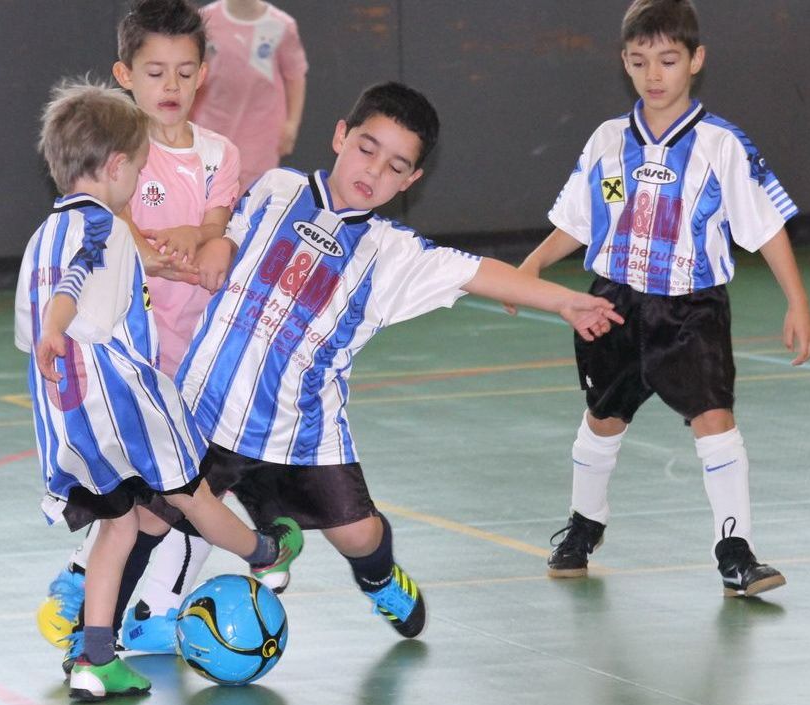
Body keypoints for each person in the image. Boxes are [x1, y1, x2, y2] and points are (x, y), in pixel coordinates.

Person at [176, 81, 624, 638]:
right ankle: (107, 619)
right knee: (158, 518)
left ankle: (381, 580)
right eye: (367, 148)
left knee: (358, 536)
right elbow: (225, 234)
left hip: (301, 428)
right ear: (341, 135)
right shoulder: (276, 188)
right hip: (205, 407)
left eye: (395, 166)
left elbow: (477, 271)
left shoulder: (393, 253)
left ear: (412, 180)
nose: (373, 172)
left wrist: (564, 299)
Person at [16, 77, 303, 699]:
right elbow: (76, 279)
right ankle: (264, 551)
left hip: (64, 415)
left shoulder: (42, 234)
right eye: (137, 172)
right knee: (196, 497)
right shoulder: (102, 228)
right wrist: (58, 327)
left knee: (118, 528)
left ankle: (95, 658)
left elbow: (64, 287)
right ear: (116, 167)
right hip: (122, 399)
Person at [520, 0, 810, 597]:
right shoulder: (608, 141)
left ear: (695, 61)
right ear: (624, 64)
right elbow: (583, 220)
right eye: (639, 61)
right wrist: (527, 269)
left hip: (692, 309)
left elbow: (764, 226)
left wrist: (798, 302)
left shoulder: (721, 144)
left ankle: (735, 551)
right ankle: (583, 527)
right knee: (602, 420)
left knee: (715, 421)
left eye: (668, 60)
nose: (654, 75)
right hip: (613, 305)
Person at [34, 0, 266, 660]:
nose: (171, 86)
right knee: (139, 491)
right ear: (124, 75)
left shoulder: (221, 152)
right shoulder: (118, 155)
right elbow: (124, 236)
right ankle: (77, 585)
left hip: (202, 354)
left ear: (204, 75)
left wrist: (199, 241)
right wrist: (174, 248)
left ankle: (155, 611)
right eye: (155, 71)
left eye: (184, 72)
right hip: (135, 356)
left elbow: (216, 233)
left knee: (197, 490)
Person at [190, 0, 308, 192]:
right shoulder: (203, 21)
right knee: (205, 194)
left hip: (260, 137)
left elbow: (295, 76)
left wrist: (292, 124)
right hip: (209, 128)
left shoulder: (281, 26)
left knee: (249, 199)